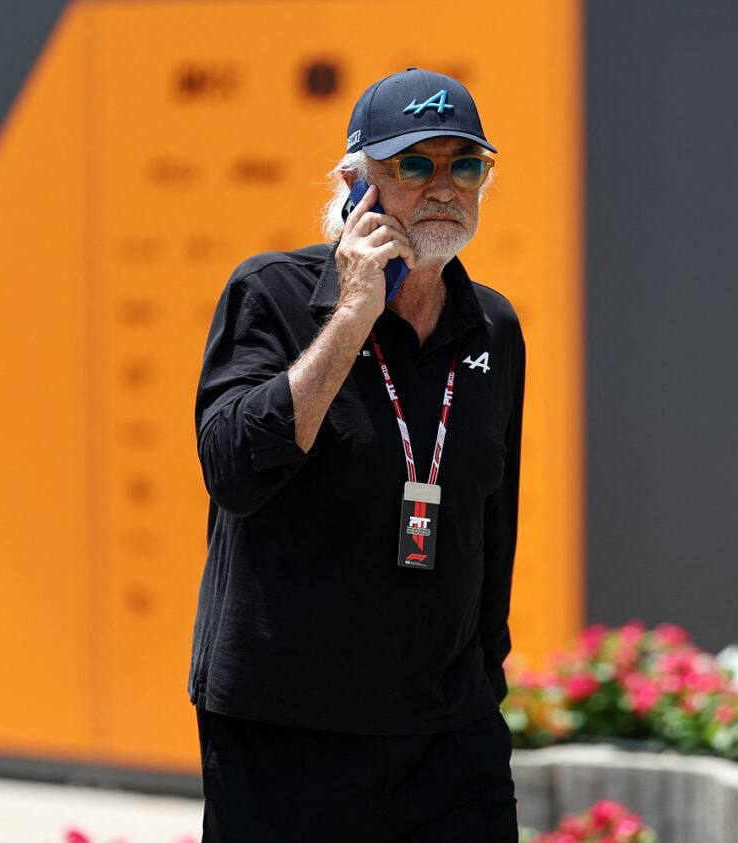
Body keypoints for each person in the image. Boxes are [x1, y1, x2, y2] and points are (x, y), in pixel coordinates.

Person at [187, 67, 525, 841]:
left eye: (465, 164)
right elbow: (234, 470)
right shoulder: (270, 292)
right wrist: (351, 314)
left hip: (447, 735)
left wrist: (483, 676)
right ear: (354, 184)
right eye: (415, 165)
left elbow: (493, 522)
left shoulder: (492, 326)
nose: (444, 187)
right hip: (289, 734)